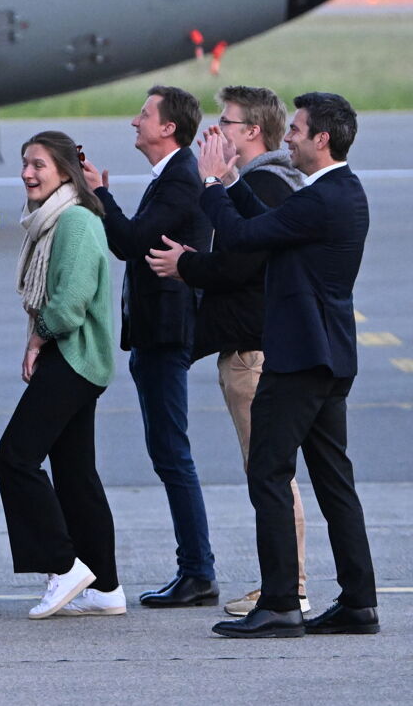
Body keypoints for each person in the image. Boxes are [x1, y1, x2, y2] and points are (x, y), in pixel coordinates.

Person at [203, 93, 377, 639]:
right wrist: (233, 185)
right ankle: (358, 603)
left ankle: (280, 601)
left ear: (322, 138)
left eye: (298, 130)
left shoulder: (324, 196)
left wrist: (211, 185)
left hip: (301, 359)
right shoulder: (337, 193)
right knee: (333, 480)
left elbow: (242, 238)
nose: (291, 137)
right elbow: (272, 230)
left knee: (269, 472)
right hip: (328, 357)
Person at [145, 86, 309, 617]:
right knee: (271, 471)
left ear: (252, 132)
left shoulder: (262, 181)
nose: (217, 132)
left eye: (227, 123)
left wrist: (187, 265)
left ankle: (288, 587)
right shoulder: (278, 179)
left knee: (270, 473)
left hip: (253, 352)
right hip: (257, 345)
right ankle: (286, 584)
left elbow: (243, 261)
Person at [81, 85, 216, 608]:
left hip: (165, 332)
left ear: (168, 128)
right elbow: (128, 244)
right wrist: (103, 195)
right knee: (167, 452)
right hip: (152, 333)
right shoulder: (169, 177)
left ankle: (198, 571)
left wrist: (101, 195)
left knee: (171, 453)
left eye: (144, 115)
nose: (134, 123)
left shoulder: (181, 177)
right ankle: (196, 569)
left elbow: (133, 242)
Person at [0, 132, 123, 619]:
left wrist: (36, 337)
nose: (28, 173)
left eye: (39, 165)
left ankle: (63, 566)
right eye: (26, 163)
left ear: (65, 173)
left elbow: (69, 305)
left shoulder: (74, 221)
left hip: (72, 358)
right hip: (75, 360)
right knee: (75, 475)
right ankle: (105, 585)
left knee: (15, 459)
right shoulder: (55, 220)